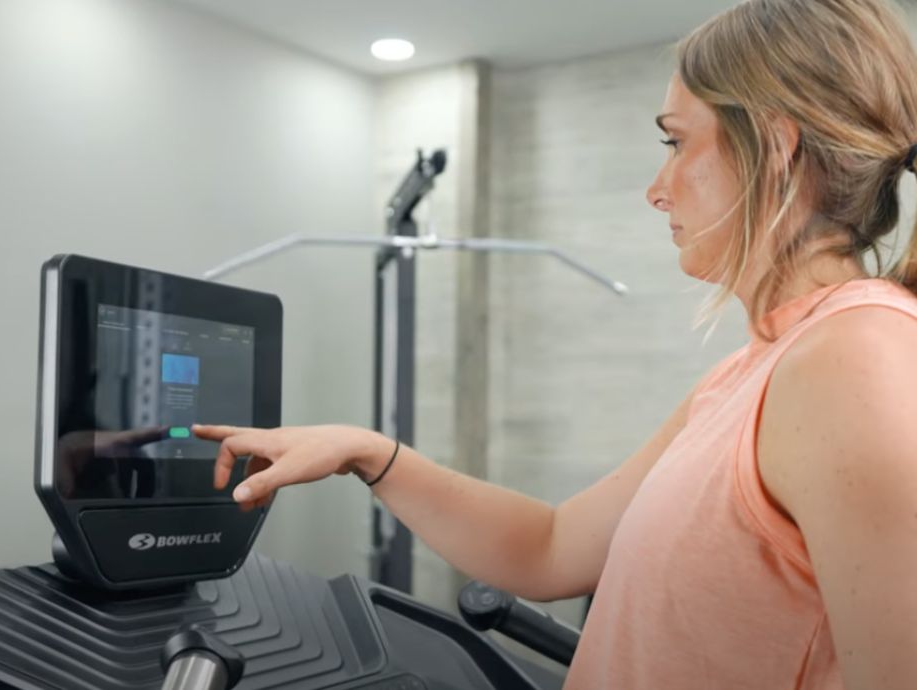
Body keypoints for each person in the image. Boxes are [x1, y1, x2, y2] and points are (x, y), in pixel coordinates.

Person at [194, 0, 917, 687]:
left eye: (677, 141)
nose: (657, 188)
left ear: (777, 144)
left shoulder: (854, 358)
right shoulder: (753, 371)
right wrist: (367, 451)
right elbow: (553, 546)